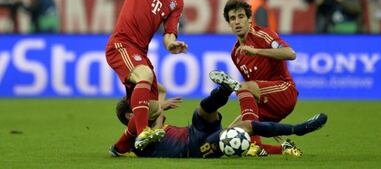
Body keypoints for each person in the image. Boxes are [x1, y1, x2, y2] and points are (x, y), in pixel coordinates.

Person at [83, 0, 188, 155]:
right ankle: (142, 135)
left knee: (153, 108)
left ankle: (120, 147)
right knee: (145, 76)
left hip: (139, 50)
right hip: (121, 44)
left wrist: (172, 45)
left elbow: (169, 34)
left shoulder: (177, 1)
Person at [111, 79, 328, 158]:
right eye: (140, 104)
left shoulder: (150, 124)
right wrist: (158, 108)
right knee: (245, 127)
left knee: (202, 110)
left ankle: (222, 91)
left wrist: (152, 98)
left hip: (192, 132)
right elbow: (116, 149)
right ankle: (296, 129)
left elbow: (159, 98)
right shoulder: (134, 135)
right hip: (196, 149)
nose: (145, 103)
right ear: (131, 114)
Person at [210, 0, 299, 155]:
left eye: (241, 16)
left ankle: (255, 144)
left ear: (249, 19)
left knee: (244, 87)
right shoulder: (235, 54)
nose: (237, 22)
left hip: (285, 91)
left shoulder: (263, 34)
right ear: (229, 24)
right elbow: (251, 90)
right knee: (226, 138)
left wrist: (257, 51)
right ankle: (284, 149)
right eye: (232, 18)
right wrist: (269, 125)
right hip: (266, 103)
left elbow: (290, 54)